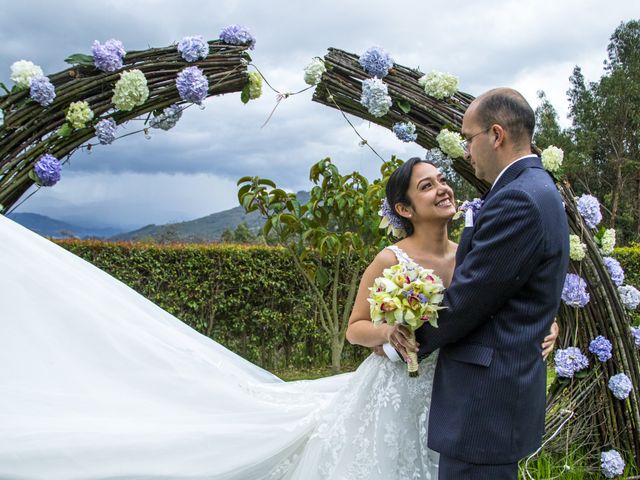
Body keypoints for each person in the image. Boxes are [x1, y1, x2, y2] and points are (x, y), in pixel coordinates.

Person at [0, 157, 558, 479]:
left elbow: (492, 304)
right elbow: (354, 327)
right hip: (397, 385)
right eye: (426, 185)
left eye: (442, 180)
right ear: (404, 209)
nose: (442, 189)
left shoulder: (472, 251)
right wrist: (388, 331)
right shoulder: (392, 260)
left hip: (454, 388)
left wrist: (543, 328)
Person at [390, 88, 570, 480]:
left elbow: (471, 297)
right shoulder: (535, 189)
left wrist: (403, 341)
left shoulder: (519, 199)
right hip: (495, 396)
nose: (467, 152)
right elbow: (517, 289)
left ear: (496, 135)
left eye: (469, 139)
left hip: (484, 404)